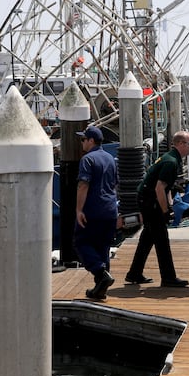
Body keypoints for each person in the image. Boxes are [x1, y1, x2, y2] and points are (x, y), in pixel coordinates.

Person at [125, 130, 189, 287]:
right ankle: (168, 277)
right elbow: (159, 188)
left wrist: (169, 206)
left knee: (147, 238)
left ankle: (134, 273)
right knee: (161, 239)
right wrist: (165, 211)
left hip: (148, 199)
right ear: (181, 144)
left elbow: (167, 188)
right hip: (150, 201)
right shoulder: (171, 162)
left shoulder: (172, 158)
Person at [74, 125, 120, 300]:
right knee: (103, 248)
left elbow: (83, 184)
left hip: (93, 209)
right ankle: (100, 289)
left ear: (91, 141)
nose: (82, 143)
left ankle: (100, 274)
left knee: (81, 242)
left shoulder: (87, 160)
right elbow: (115, 184)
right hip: (110, 209)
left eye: (83, 140)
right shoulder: (110, 158)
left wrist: (79, 210)